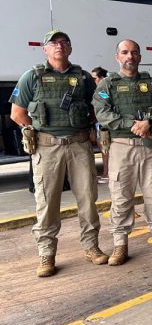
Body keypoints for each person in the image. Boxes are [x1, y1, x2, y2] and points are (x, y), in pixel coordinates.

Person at [9, 29, 107, 277]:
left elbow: (94, 109)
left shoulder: (83, 78)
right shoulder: (32, 76)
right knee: (47, 203)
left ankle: (92, 247)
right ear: (45, 49)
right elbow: (17, 113)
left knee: (87, 200)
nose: (59, 46)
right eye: (53, 43)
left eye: (64, 42)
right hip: (47, 147)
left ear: (70, 49)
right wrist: (32, 132)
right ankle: (47, 254)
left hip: (79, 146)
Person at [92, 40, 152, 264]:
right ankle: (120, 244)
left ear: (139, 56)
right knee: (121, 198)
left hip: (150, 148)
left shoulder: (151, 84)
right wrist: (134, 124)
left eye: (134, 52)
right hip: (122, 148)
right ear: (117, 57)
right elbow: (102, 114)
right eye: (125, 52)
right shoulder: (107, 85)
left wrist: (149, 122)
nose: (130, 56)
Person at [91, 66, 110, 184]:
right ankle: (105, 172)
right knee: (103, 150)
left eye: (94, 78)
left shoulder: (103, 92)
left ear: (101, 78)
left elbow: (107, 104)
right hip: (98, 123)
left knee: (106, 149)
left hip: (104, 125)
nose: (92, 81)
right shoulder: (97, 90)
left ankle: (108, 173)